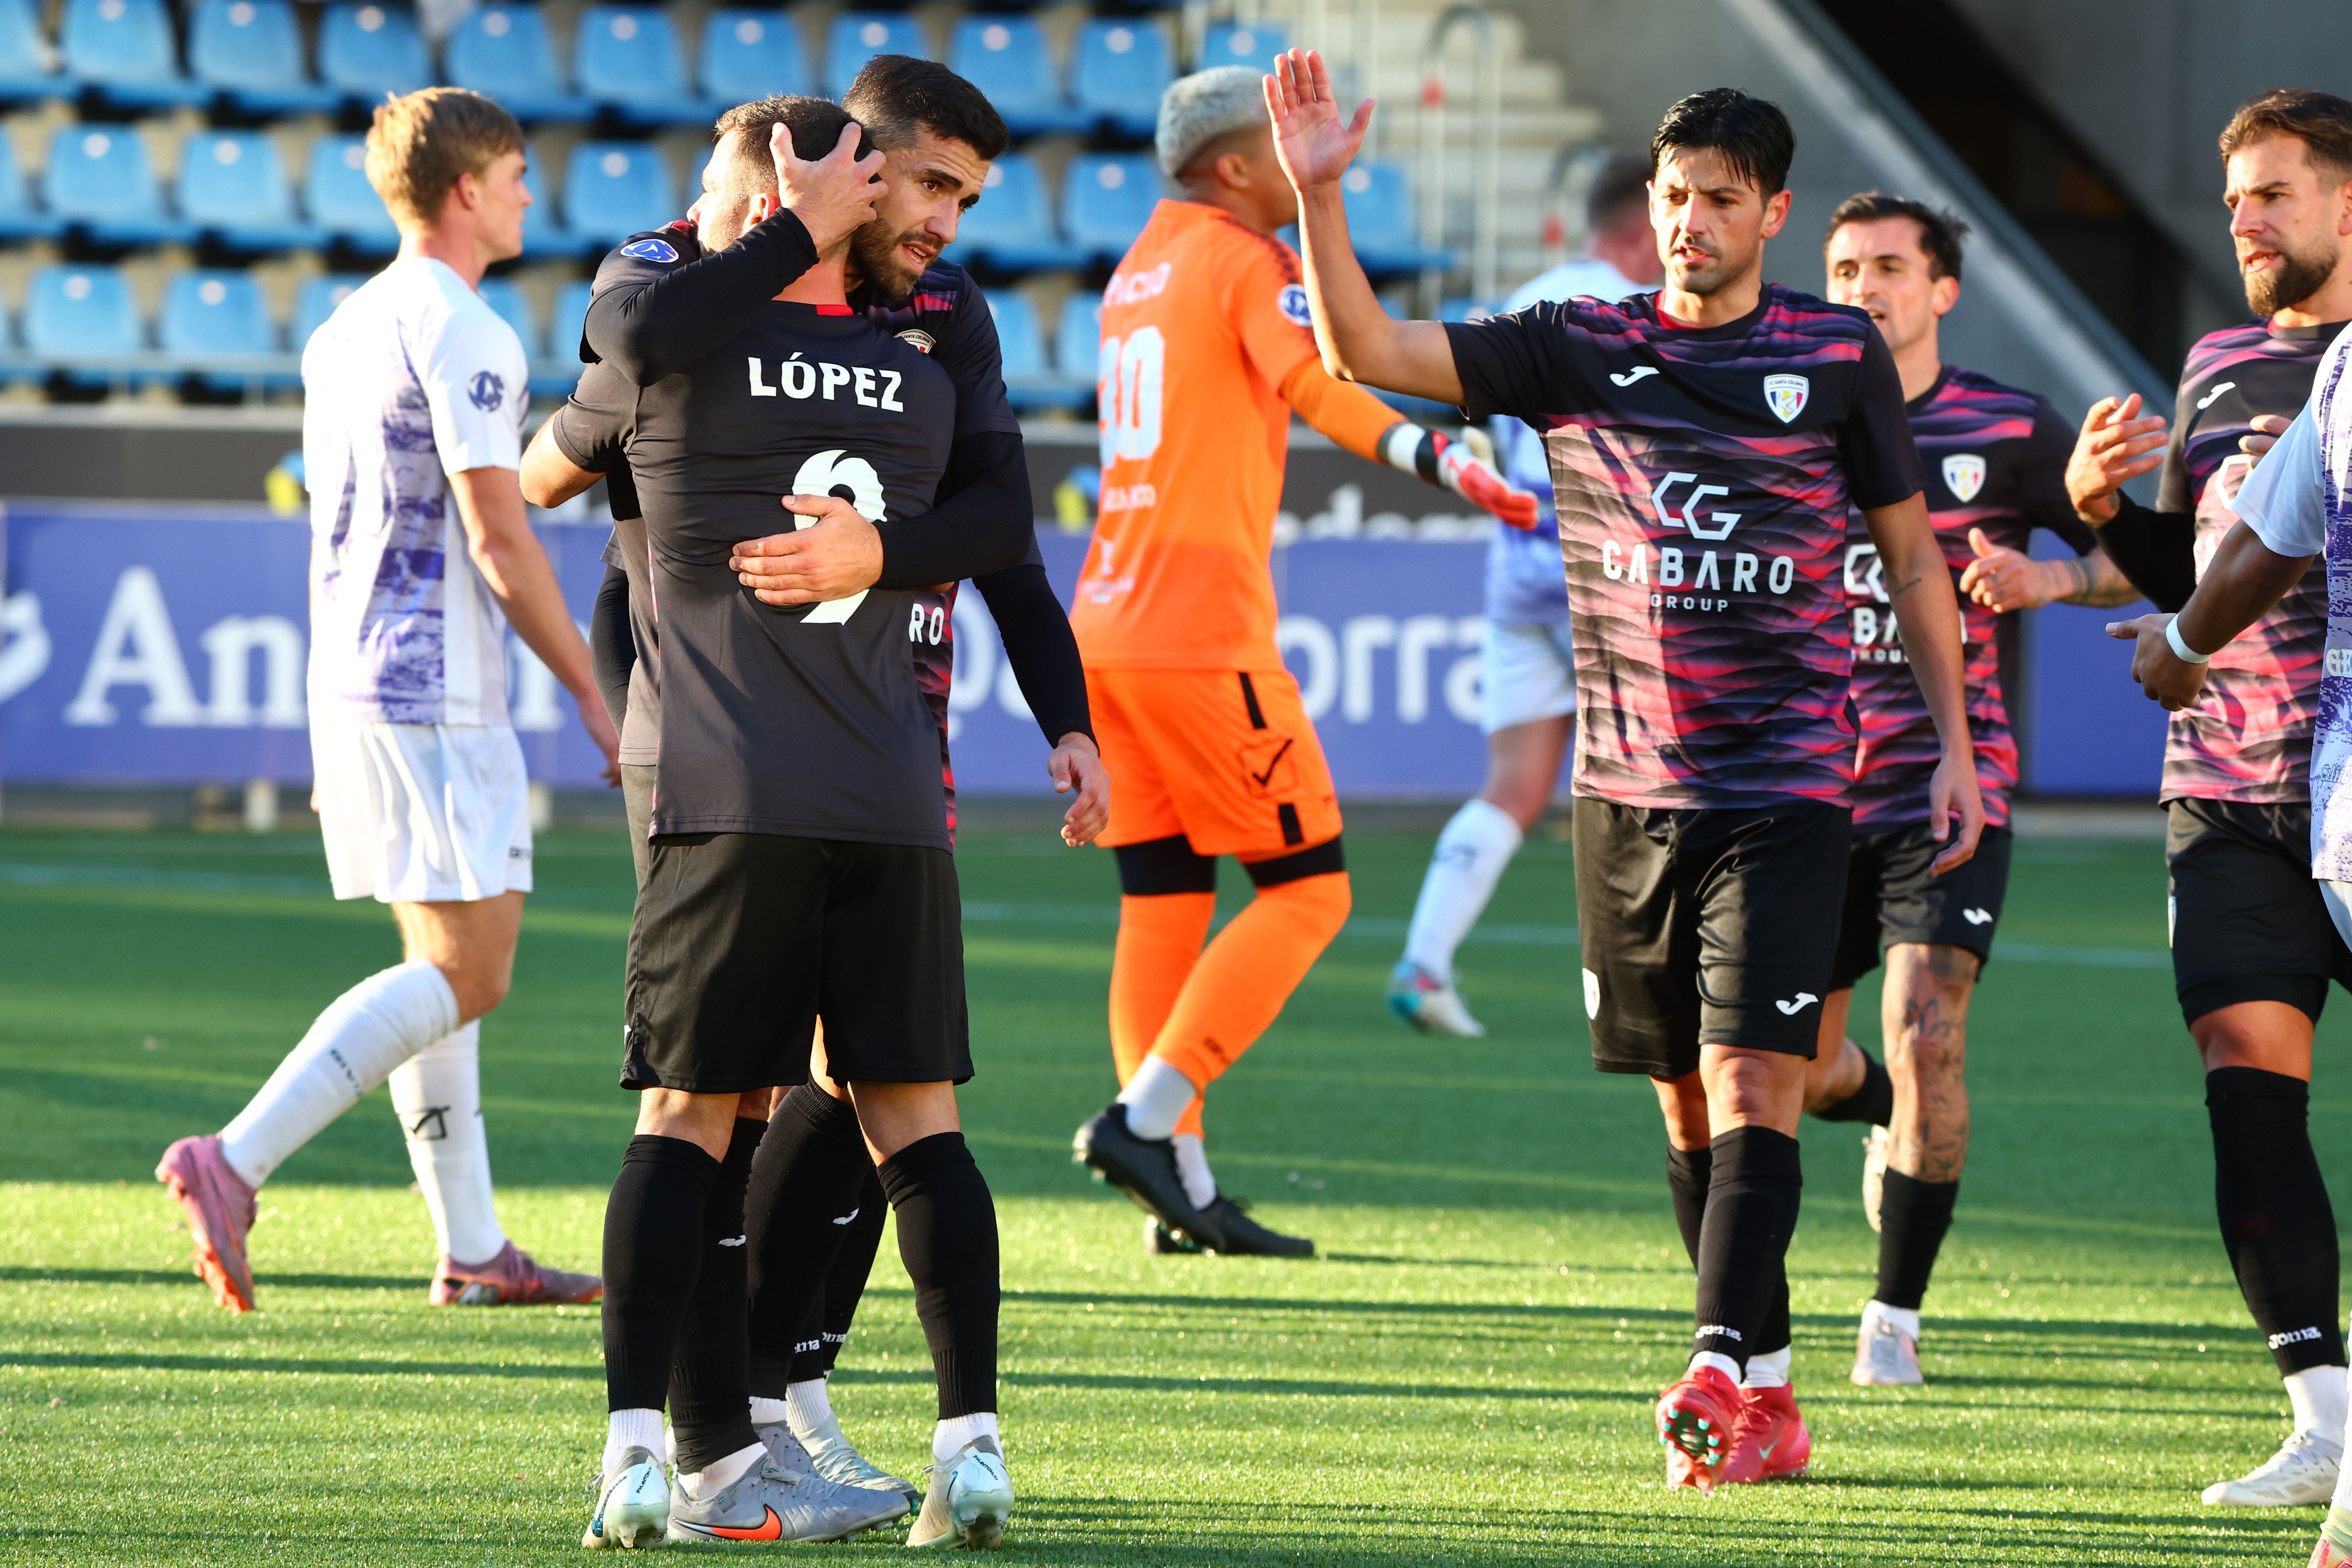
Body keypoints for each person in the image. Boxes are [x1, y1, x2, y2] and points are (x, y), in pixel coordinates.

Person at [1267, 57, 1981, 1489]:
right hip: (1625, 793)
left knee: (1748, 1077)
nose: (1690, 222)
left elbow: (1910, 556)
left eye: (1720, 199)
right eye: (1673, 197)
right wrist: (1319, 190)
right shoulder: (1574, 341)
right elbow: (1361, 357)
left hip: (1785, 784)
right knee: (1677, 1102)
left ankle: (1717, 1360)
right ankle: (1767, 1388)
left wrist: (1956, 745)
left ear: (1773, 209)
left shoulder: (1834, 356)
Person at [538, 57, 1108, 1513]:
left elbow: (1004, 531)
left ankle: (755, 1417)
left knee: (789, 1096)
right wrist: (778, 242)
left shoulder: (940, 313)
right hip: (712, 716)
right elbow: (584, 418)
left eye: (969, 201)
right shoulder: (684, 261)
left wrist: (1055, 703)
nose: (948, 227)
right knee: (756, 1101)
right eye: (929, 189)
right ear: (854, 166)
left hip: (878, 727)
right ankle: (731, 1439)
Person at [153, 87, 614, 1316]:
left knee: (435, 961)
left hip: (352, 677)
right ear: (468, 189)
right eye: (515, 173)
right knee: (475, 971)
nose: (529, 193)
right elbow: (499, 532)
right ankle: (233, 1159)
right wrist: (590, 690)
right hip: (439, 688)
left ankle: (473, 1250)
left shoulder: (345, 324)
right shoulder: (465, 326)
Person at [1065, 64, 1537, 1260]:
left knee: (1163, 899)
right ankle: (1145, 1119)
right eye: (1284, 148)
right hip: (1197, 633)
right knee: (1311, 888)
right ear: (1234, 167)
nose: (1313, 164)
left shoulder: (1140, 267)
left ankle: (1180, 1179)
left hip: (1109, 623)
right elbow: (1320, 380)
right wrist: (1447, 463)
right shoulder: (1244, 260)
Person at [1797, 192, 2136, 1388]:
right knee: (1799, 1068)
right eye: (1843, 269)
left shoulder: (2005, 424)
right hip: (1796, 792)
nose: (1863, 288)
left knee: (1929, 1033)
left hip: (1949, 785)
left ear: (1942, 290)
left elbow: (2144, 552)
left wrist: (2048, 583)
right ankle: (1882, 1113)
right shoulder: (1784, 413)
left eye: (1890, 267)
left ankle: (1892, 1320)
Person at [2071, 88, 2352, 1510]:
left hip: (2348, 786)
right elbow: (2201, 575)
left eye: (2276, 193)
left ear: (2349, 205)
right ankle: (2324, 1416)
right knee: (2250, 1094)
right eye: (2236, 195)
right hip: (2232, 791)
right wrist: (2107, 515)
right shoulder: (2218, 363)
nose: (2244, 219)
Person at [1387, 153, 1662, 1037]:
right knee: (1656, 779)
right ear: (1639, 227)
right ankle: (1651, 984)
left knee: (1514, 783)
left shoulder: (1527, 298)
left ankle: (1424, 963)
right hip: (1607, 573)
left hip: (1521, 569)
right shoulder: (1628, 310)